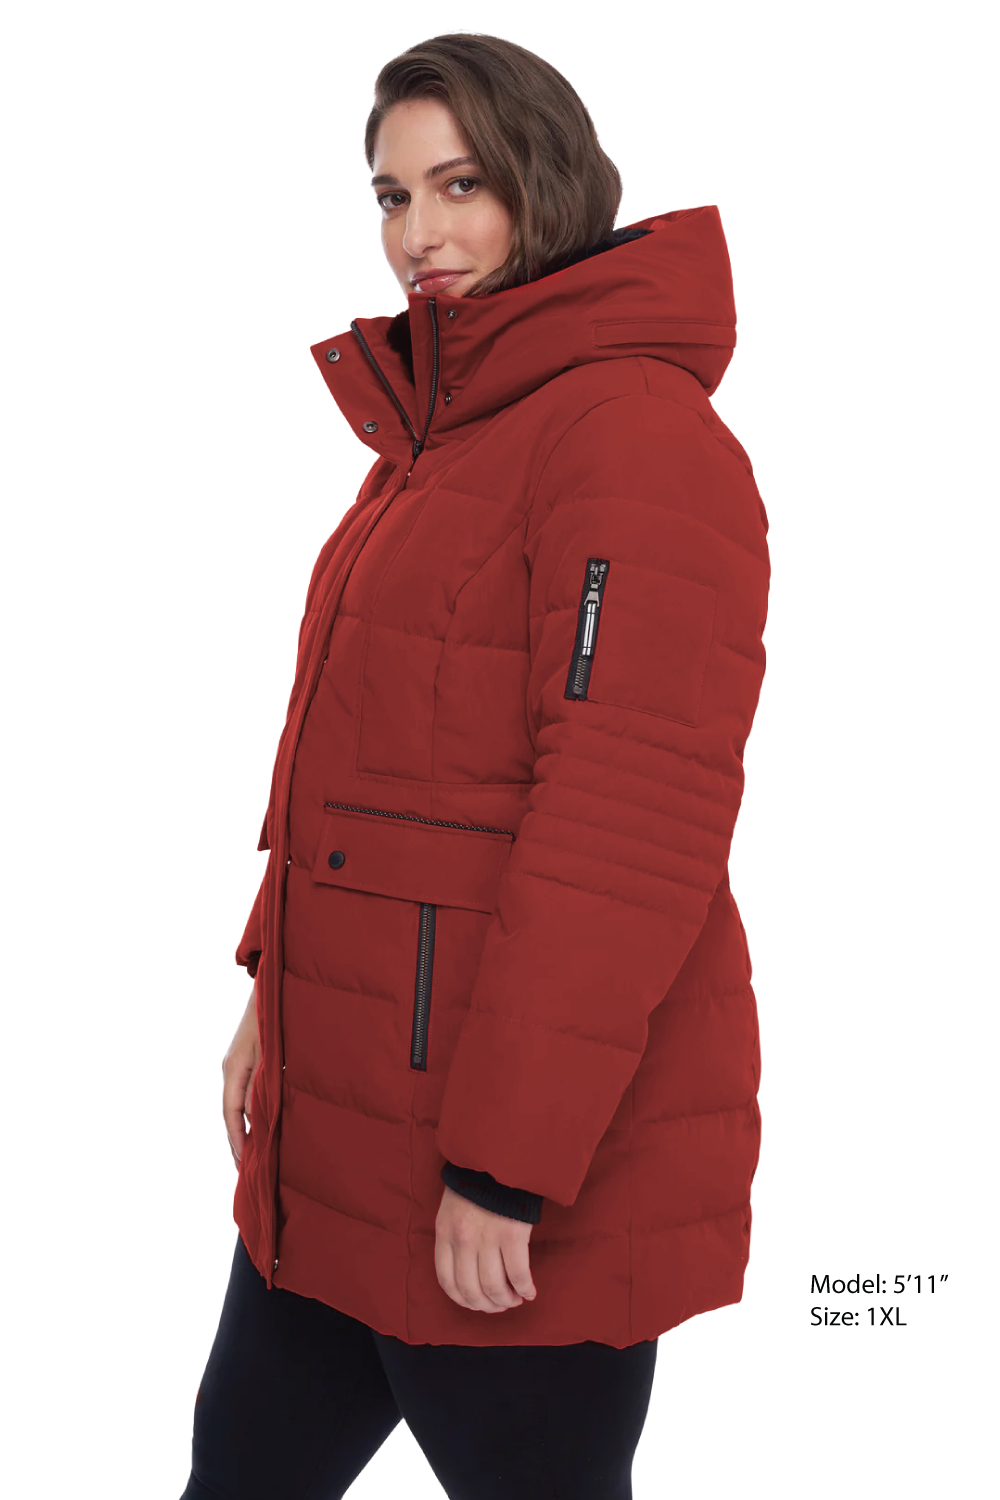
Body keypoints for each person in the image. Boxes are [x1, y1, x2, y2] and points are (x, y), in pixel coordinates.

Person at [179, 30, 769, 1500]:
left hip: (498, 1174)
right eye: (391, 196)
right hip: (343, 1137)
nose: (418, 236)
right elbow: (365, 760)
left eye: (460, 185)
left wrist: (508, 1166)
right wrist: (272, 991)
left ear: (544, 182)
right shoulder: (445, 436)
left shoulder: (633, 437)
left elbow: (627, 824)